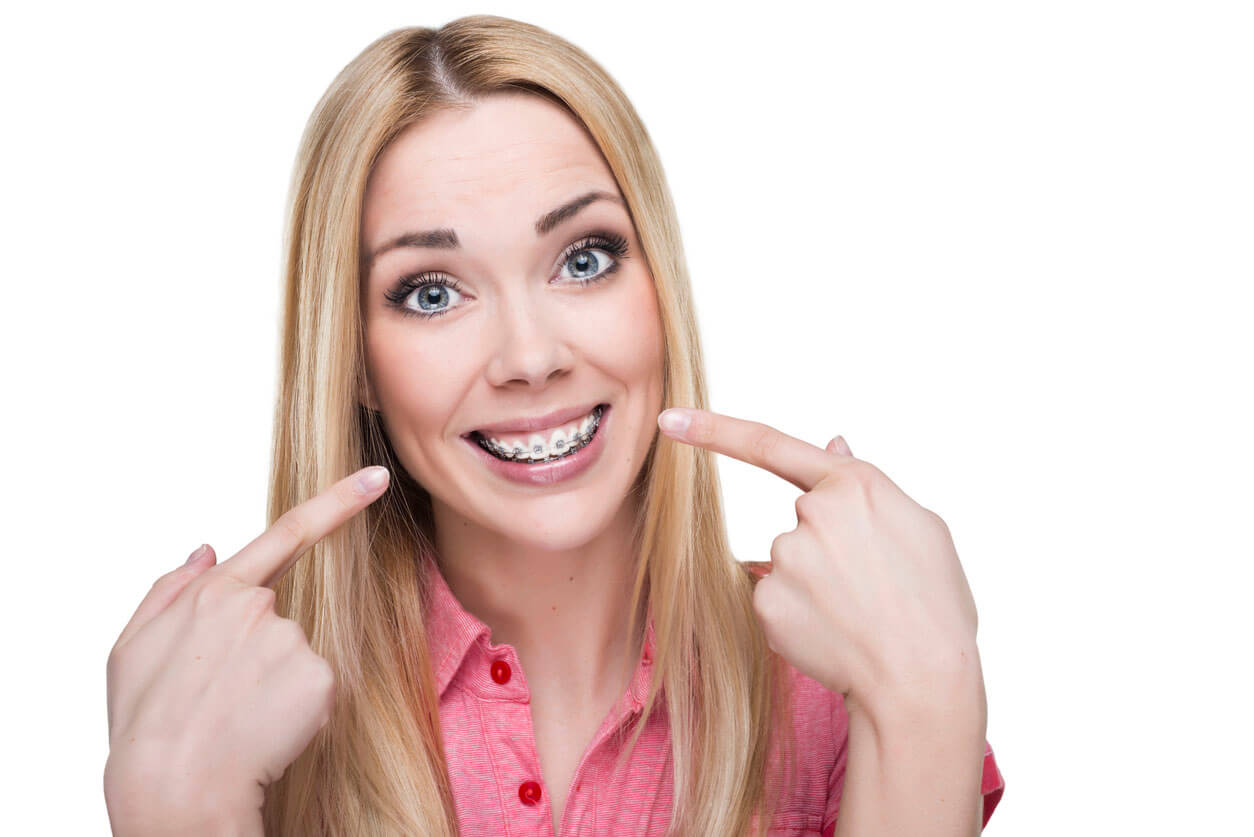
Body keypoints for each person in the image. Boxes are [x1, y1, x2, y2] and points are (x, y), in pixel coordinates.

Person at [104, 14, 1005, 836]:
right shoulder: (235, 719)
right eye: (432, 291)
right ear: (356, 364)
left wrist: (927, 697)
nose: (530, 356)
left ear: (660, 294)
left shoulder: (838, 682)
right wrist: (178, 812)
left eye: (583, 258)